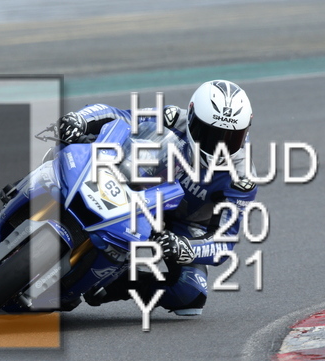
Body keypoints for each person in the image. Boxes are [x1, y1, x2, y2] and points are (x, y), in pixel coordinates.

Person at [58, 80, 257, 316]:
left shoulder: (242, 178)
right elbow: (119, 115)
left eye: (231, 138)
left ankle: (112, 282)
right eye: (210, 134)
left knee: (190, 293)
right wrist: (80, 119)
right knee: (75, 144)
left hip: (182, 224)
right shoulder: (172, 118)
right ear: (191, 116)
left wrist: (186, 248)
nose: (219, 147)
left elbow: (224, 241)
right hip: (140, 186)